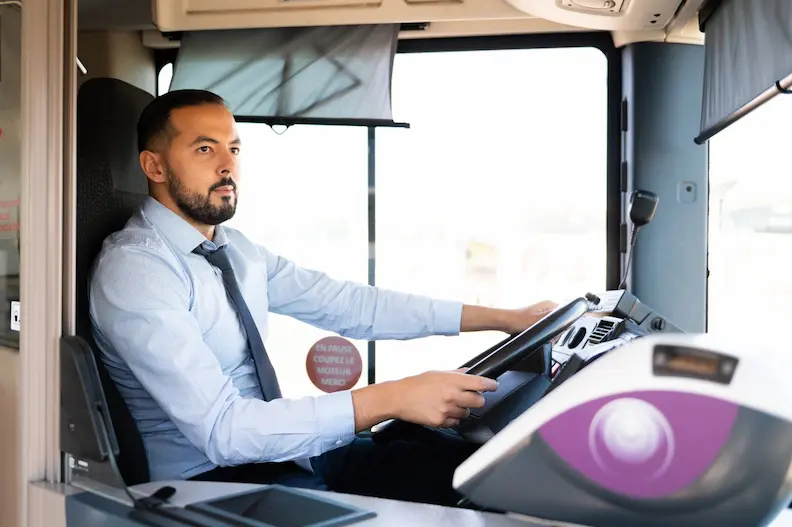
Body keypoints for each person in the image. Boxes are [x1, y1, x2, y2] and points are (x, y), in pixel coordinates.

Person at [89, 89, 558, 507]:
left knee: (470, 473)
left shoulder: (237, 251)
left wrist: (506, 318)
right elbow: (224, 433)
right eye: (205, 149)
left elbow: (352, 305)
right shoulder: (137, 270)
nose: (227, 164)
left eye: (234, 148)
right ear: (154, 166)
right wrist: (391, 397)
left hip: (287, 453)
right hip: (212, 482)